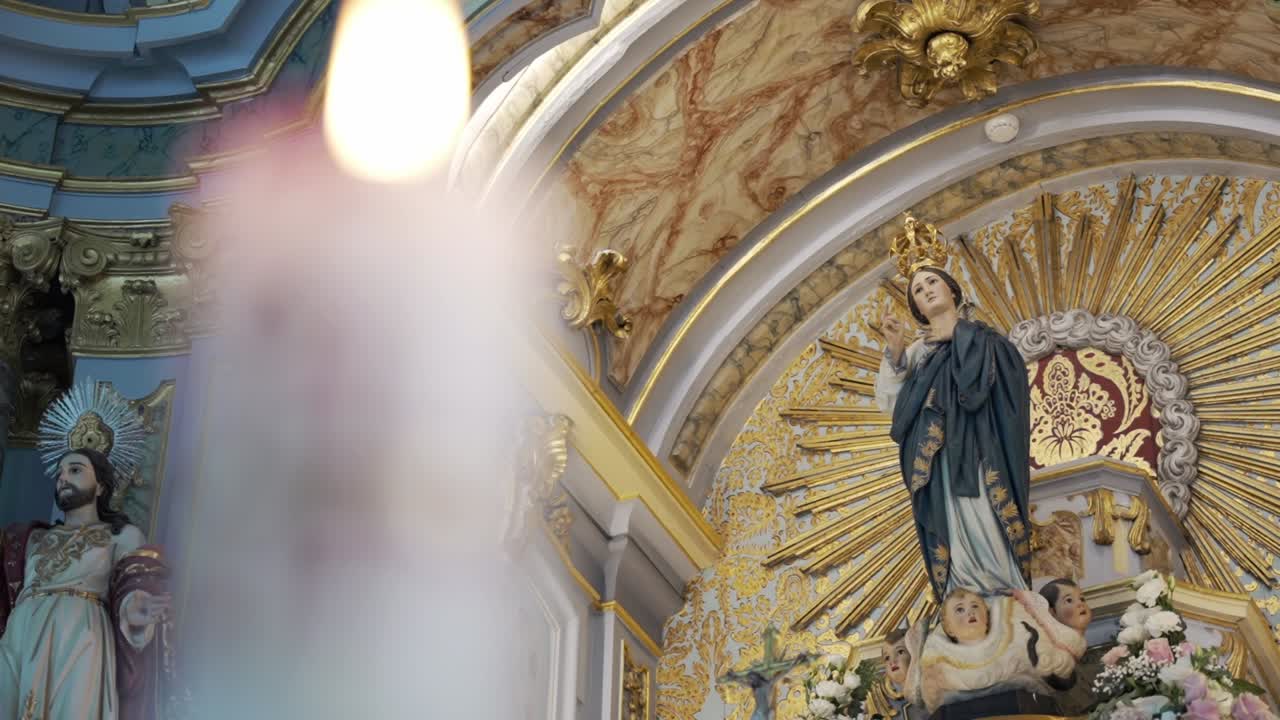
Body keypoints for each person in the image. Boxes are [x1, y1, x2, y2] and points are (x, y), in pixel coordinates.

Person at [874, 252, 1033, 601]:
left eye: (932, 282)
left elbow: (1010, 390)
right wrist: (895, 352)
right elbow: (891, 404)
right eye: (917, 289)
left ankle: (1003, 586)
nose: (927, 290)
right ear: (915, 306)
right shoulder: (918, 352)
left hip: (980, 450)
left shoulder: (984, 339)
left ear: (951, 289)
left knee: (986, 514)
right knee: (951, 517)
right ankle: (963, 591)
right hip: (938, 460)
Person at [0, 448, 170, 719]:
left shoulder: (122, 536)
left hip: (79, 635)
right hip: (19, 636)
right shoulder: (31, 538)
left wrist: (133, 608)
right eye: (59, 473)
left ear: (101, 485)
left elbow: (131, 582)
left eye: (75, 470)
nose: (63, 478)